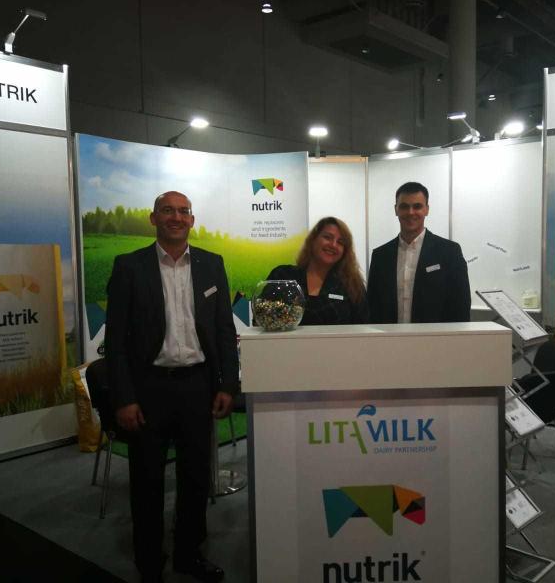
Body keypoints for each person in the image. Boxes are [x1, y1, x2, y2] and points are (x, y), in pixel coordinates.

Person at [104, 191, 238, 583]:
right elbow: (116, 342)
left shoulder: (212, 264)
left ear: (192, 220)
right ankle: (149, 559)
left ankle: (188, 554)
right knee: (146, 479)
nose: (176, 218)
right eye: (168, 211)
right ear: (153, 218)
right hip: (150, 389)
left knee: (196, 478)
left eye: (183, 211)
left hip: (198, 386)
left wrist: (228, 384)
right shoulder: (129, 267)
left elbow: (224, 330)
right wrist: (124, 398)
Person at [367, 181, 470, 324]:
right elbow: (372, 307)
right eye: (404, 206)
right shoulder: (380, 256)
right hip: (389, 337)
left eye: (417, 206)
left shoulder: (449, 252)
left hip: (434, 337)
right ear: (396, 210)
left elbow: (461, 307)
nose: (410, 212)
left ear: (427, 210)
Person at [266, 216, 368, 325]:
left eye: (340, 242)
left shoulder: (352, 285)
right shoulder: (282, 276)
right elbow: (262, 319)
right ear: (313, 240)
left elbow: (363, 327)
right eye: (327, 237)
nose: (333, 245)